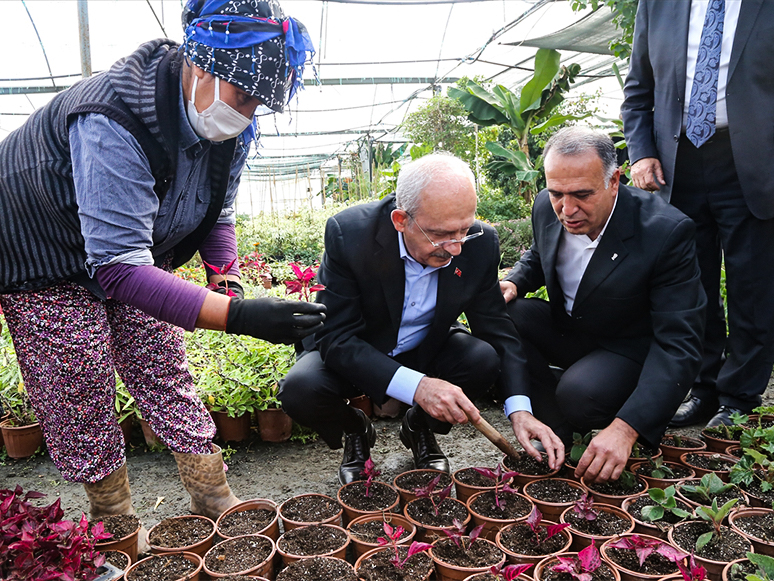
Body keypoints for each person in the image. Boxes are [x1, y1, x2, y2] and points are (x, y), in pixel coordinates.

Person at [0, 0, 324, 543]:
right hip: (40, 254)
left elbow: (216, 209)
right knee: (78, 374)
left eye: (259, 105)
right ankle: (113, 517)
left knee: (160, 358)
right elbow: (119, 270)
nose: (246, 114)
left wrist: (227, 279)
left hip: (127, 253)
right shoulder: (112, 116)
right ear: (200, 64)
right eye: (243, 96)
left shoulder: (227, 126)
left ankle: (210, 491)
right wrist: (239, 317)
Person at [279, 153, 564, 484]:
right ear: (401, 220)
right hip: (357, 349)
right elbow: (337, 339)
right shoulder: (350, 234)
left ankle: (418, 427)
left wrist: (520, 409)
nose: (456, 248)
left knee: (483, 359)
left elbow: (498, 330)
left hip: (424, 345)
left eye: (464, 230)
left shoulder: (479, 243)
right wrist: (418, 387)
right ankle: (355, 428)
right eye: (441, 235)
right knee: (301, 390)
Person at [500, 127, 705, 483]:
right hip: (573, 327)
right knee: (507, 315)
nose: (568, 209)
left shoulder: (664, 233)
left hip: (627, 345)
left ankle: (600, 411)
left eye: (581, 195)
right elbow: (540, 253)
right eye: (557, 194)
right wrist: (515, 281)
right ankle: (556, 430)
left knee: (580, 394)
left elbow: (679, 342)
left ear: (614, 181)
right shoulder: (547, 207)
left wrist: (627, 429)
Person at [621, 0, 774, 428]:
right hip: (677, 161)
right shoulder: (658, 4)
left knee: (752, 285)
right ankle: (704, 389)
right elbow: (638, 88)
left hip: (754, 162)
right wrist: (642, 151)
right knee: (692, 286)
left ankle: (739, 397)